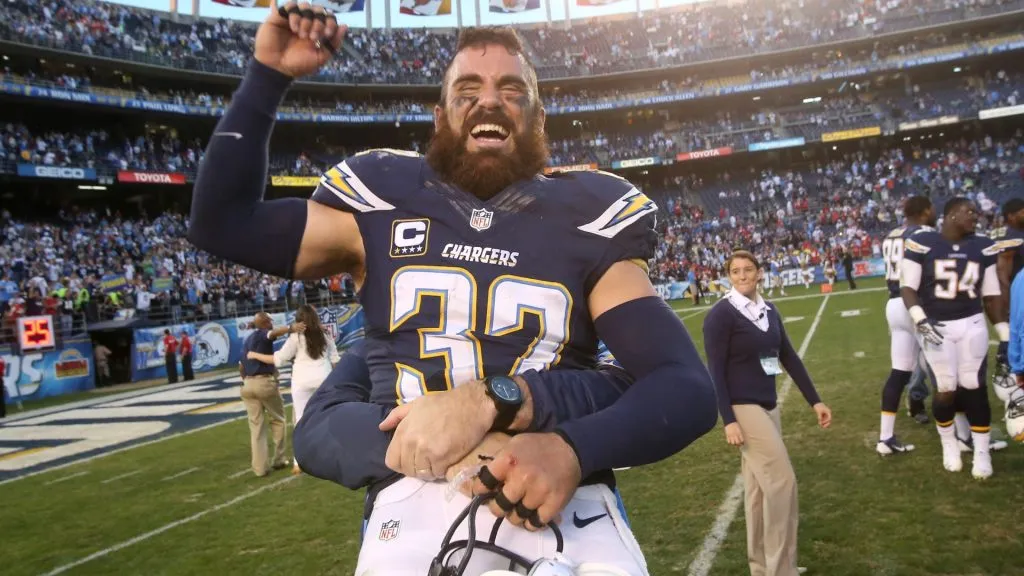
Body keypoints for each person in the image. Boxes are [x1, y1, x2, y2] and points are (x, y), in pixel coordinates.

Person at [188, 8, 717, 574]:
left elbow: (683, 385)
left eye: (511, 91)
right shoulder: (379, 201)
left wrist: (572, 448)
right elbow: (222, 223)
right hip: (413, 494)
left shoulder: (589, 215)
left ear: (537, 119)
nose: (489, 101)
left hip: (558, 487)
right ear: (440, 118)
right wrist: (268, 74)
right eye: (468, 90)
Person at [702, 250, 831, 576]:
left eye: (748, 269)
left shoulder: (769, 311)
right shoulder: (721, 315)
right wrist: (728, 420)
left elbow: (789, 357)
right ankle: (782, 569)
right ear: (729, 276)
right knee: (783, 484)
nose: (742, 275)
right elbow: (715, 371)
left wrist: (815, 401)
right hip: (743, 408)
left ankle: (762, 567)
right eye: (735, 271)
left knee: (758, 493)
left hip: (768, 406)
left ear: (759, 273)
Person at [900, 197, 1008, 479]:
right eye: (968, 211)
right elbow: (908, 288)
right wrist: (920, 319)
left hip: (972, 322)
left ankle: (981, 452)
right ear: (951, 215)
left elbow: (991, 294)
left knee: (974, 386)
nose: (975, 216)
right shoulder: (923, 242)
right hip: (937, 325)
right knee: (946, 388)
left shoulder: (982, 245)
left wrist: (1004, 333)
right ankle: (949, 443)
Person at [247, 304, 339, 475]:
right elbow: (334, 358)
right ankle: (333, 454)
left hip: (301, 380)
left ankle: (299, 462)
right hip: (324, 377)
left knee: (300, 420)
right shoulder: (325, 333)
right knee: (329, 416)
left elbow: (279, 359)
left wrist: (254, 355)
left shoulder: (296, 337)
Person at [876, 196, 935, 454]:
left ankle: (885, 438)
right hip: (915, 303)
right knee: (944, 370)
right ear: (925, 211)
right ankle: (962, 434)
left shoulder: (892, 234)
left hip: (893, 304)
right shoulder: (923, 233)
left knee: (899, 372)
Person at [239, 312, 303, 477]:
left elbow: (241, 365)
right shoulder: (263, 334)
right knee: (278, 420)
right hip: (264, 382)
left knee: (256, 428)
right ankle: (279, 459)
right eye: (270, 321)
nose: (272, 324)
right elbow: (272, 333)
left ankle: (260, 468)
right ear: (266, 322)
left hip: (247, 384)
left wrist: (246, 381)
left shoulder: (247, 340)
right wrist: (290, 328)